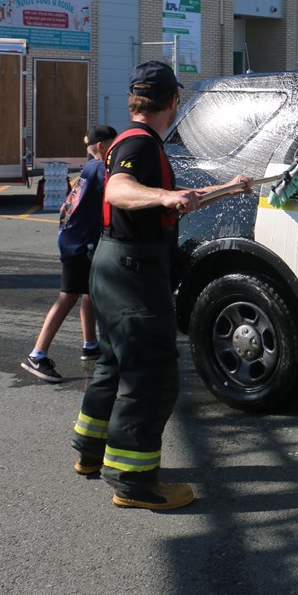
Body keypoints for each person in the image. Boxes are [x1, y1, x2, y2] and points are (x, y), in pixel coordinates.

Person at [71, 61, 252, 510]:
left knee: (115, 363)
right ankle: (135, 483)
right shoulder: (139, 144)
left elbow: (167, 207)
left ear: (135, 99)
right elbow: (119, 190)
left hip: (114, 264)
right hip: (133, 271)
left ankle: (90, 454)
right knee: (150, 373)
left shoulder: (134, 141)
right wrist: (165, 195)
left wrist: (227, 189)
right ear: (173, 102)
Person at [20, 125, 117, 382]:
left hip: (74, 237)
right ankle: (37, 355)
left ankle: (90, 344)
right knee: (67, 297)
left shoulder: (88, 167)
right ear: (102, 147)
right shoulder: (100, 168)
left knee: (88, 292)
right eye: (114, 144)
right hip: (79, 243)